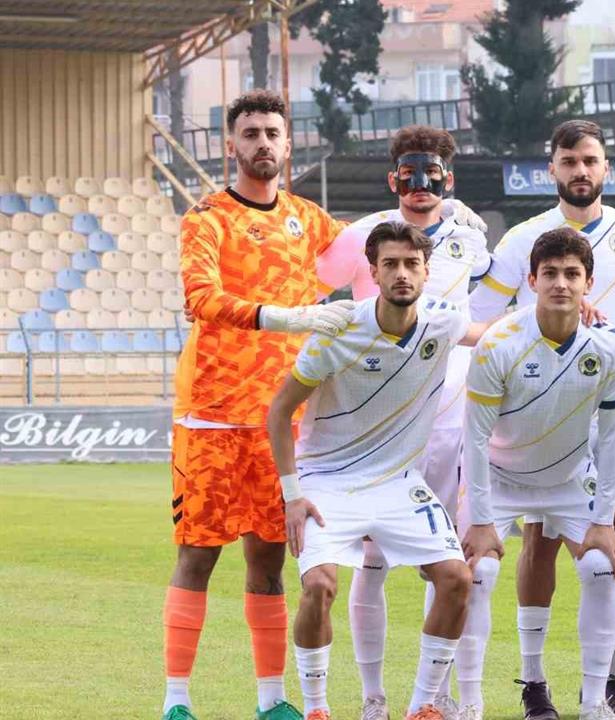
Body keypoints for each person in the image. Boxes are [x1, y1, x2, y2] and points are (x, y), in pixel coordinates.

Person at [163, 89, 356, 720]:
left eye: (272, 133)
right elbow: (200, 297)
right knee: (198, 555)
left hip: (284, 420)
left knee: (270, 561)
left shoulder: (308, 219)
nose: (262, 143)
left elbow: (373, 254)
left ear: (288, 144)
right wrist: (286, 316)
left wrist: (441, 217)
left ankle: (271, 699)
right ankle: (176, 700)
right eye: (250, 133)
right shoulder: (207, 218)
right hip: (212, 413)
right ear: (231, 145)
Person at [469, 119, 615, 720]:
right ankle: (533, 683)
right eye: (569, 161)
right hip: (537, 406)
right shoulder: (522, 239)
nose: (580, 171)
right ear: (551, 168)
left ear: (606, 167)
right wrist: (534, 340)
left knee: (614, 539)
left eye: (590, 160)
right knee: (540, 539)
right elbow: (479, 317)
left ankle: (606, 681)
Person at [265, 221, 489, 720]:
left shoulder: (443, 322)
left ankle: (422, 706)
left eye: (411, 264)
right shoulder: (339, 330)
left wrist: (563, 309)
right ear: (372, 272)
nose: (402, 273)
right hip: (327, 480)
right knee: (319, 587)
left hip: (399, 483)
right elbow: (279, 411)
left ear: (426, 272)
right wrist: (292, 495)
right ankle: (318, 709)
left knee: (457, 578)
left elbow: (496, 333)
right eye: (390, 264)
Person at [314, 124, 492, 720]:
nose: (421, 185)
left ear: (449, 179)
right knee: (372, 562)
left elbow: (494, 309)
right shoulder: (362, 235)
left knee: (456, 566)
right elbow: (308, 285)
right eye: (409, 175)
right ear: (393, 179)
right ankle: (373, 698)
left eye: (432, 175)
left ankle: (449, 696)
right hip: (379, 427)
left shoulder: (470, 240)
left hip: (451, 423)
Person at [460, 227, 615, 720]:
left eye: (572, 274)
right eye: (551, 273)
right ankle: (479, 701)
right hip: (501, 479)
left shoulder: (611, 348)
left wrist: (602, 521)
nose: (561, 283)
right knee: (479, 573)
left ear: (588, 283)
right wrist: (480, 519)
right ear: (532, 280)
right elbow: (474, 439)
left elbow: (613, 441)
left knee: (600, 567)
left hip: (568, 481)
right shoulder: (498, 343)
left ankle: (594, 703)